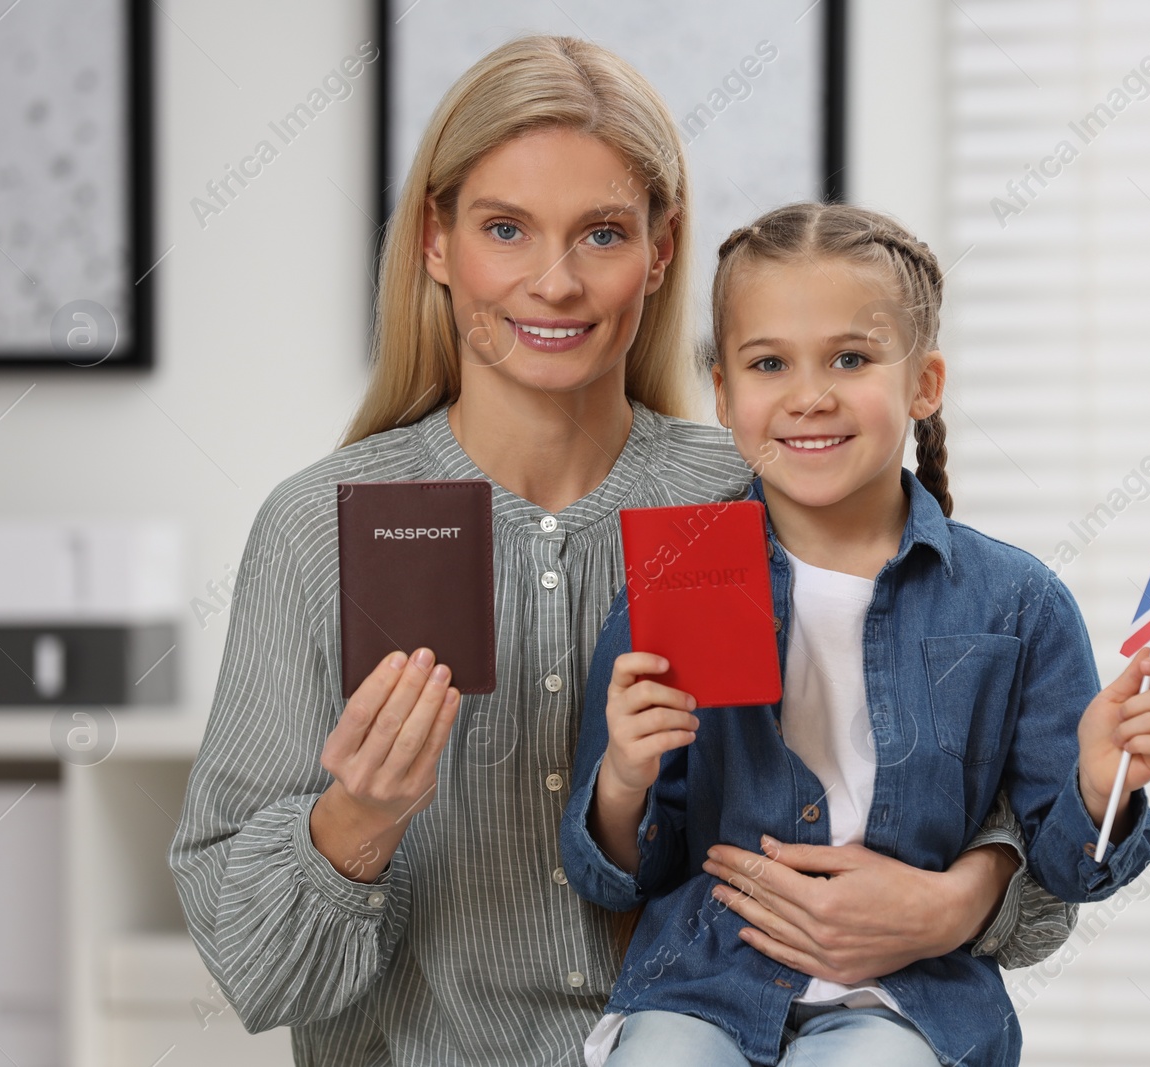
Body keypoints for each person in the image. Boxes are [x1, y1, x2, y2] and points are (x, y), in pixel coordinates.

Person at [169, 37, 1074, 1067]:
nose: (552, 283)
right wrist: (357, 820)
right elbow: (251, 969)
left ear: (659, 248)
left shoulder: (759, 489)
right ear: (434, 240)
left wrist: (960, 896)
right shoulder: (317, 528)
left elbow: (1001, 782)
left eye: (600, 233)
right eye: (504, 228)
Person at [559, 202, 1150, 1067]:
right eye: (769, 362)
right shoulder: (678, 581)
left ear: (923, 384)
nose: (810, 394)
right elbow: (622, 871)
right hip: (699, 981)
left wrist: (1099, 784)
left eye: (850, 358)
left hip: (905, 997)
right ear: (726, 394)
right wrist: (624, 777)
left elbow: (1068, 870)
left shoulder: (1018, 604)